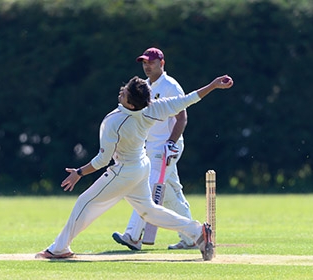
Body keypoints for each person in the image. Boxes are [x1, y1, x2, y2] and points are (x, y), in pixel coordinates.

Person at [35, 74, 233, 261]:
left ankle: (59, 249)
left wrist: (79, 173)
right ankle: (198, 231)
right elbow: (187, 99)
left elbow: (103, 161)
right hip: (141, 167)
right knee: (149, 212)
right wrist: (213, 85)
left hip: (124, 171)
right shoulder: (152, 109)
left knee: (84, 202)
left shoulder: (114, 122)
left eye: (126, 92)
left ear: (130, 104)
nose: (121, 91)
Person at [112, 47, 196, 251]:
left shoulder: (170, 86)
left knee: (146, 188)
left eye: (151, 62)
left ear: (162, 63)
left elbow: (182, 117)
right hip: (150, 146)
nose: (147, 66)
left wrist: (171, 143)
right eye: (144, 62)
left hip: (167, 147)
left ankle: (133, 235)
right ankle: (192, 236)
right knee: (171, 194)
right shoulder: (145, 87)